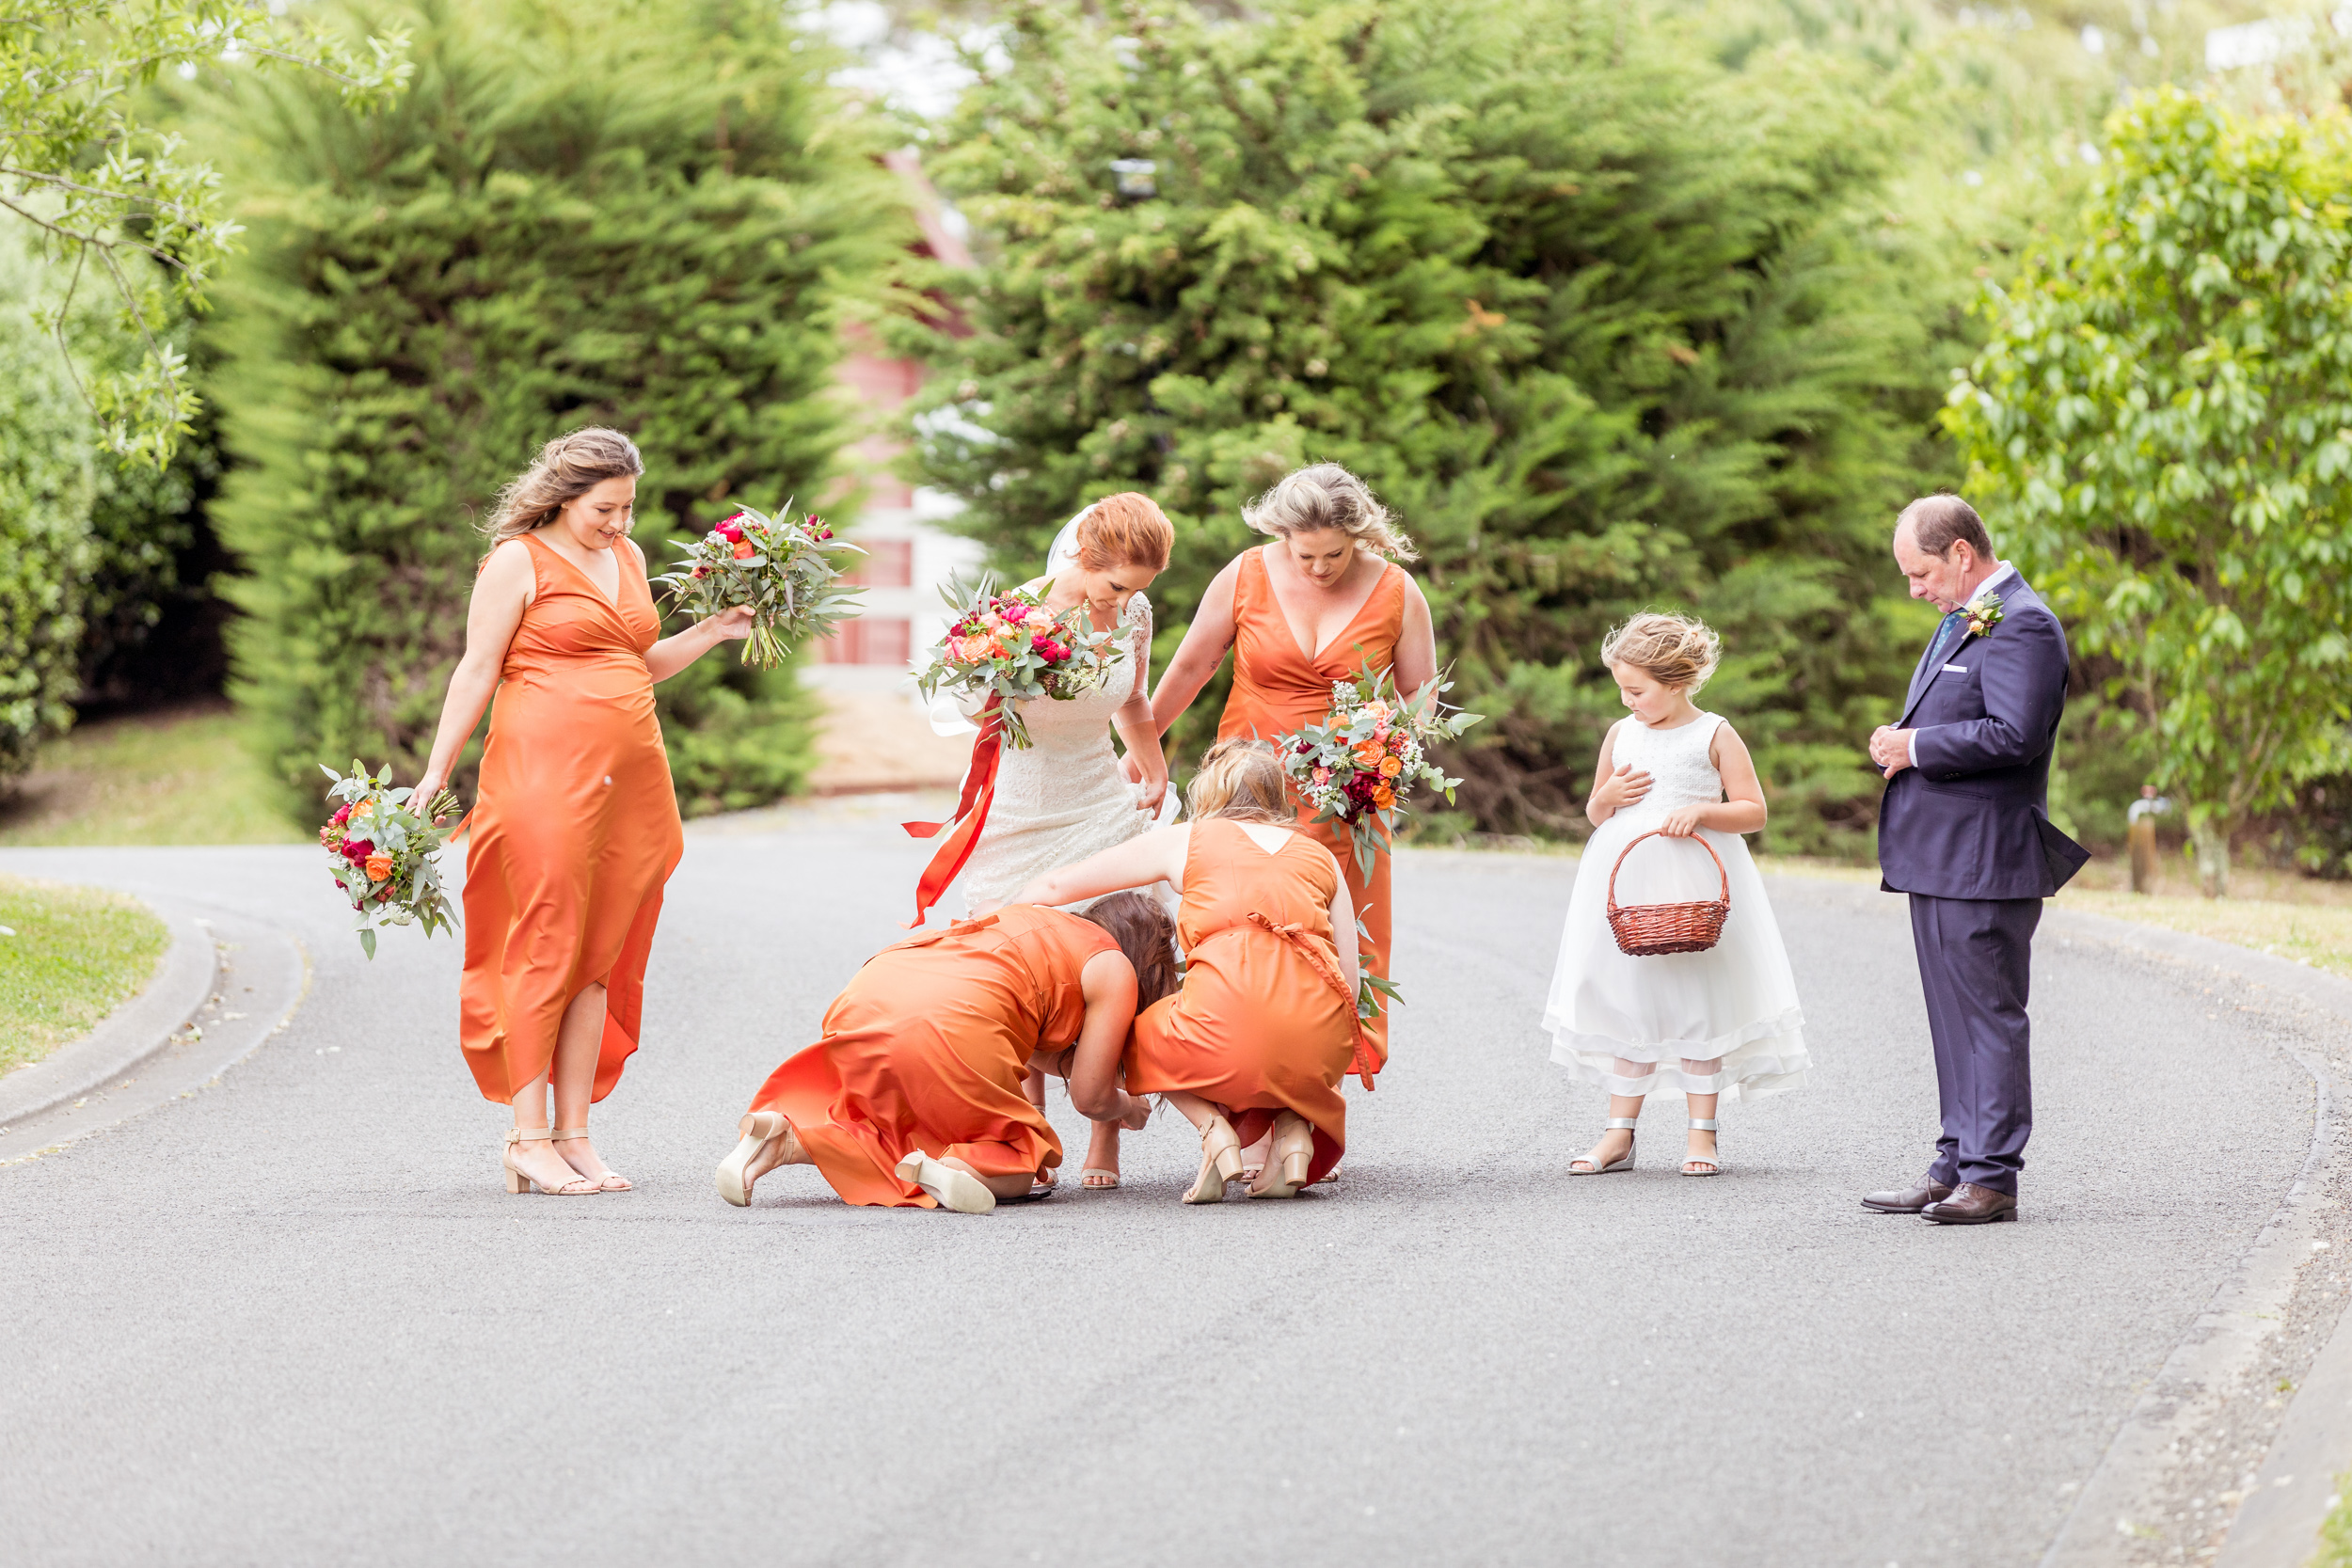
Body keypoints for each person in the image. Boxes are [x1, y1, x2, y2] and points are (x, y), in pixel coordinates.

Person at [412, 428, 755, 1197]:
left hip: (629, 781)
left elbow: (634, 662)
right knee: (545, 940)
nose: (620, 523)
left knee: (599, 956)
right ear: (565, 496)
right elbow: (476, 669)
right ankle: (526, 1137)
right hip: (541, 776)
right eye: (606, 507)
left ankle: (574, 1135)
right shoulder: (516, 562)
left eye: (629, 506)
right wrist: (437, 770)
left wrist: (712, 630)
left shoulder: (627, 559)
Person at [907, 493, 1177, 1191]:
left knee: (1120, 952)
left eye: (1138, 590)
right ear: (1084, 559)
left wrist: (1153, 762)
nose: (1124, 603)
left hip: (1099, 799)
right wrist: (987, 668)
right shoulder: (1011, 620)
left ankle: (1105, 1139)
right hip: (1023, 808)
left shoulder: (1134, 615)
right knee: (1021, 964)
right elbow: (969, 709)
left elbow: (1133, 698)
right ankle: (1032, 1137)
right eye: (1116, 585)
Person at [1145, 464, 1435, 1086]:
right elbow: (1192, 666)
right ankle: (1241, 1065)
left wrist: (1392, 750)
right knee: (1239, 923)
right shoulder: (1246, 573)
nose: (1320, 567)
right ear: (1282, 535)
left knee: (1337, 931)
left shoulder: (1398, 590)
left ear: (1361, 536)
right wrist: (1144, 751)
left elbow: (1421, 691)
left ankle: (1313, 1076)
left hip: (1347, 792)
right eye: (1306, 554)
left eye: (1335, 553)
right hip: (1246, 787)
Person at [1012, 740, 1367, 1204]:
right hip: (1321, 1043)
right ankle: (1295, 1128)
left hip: (1225, 1032)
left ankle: (1213, 1130)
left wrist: (1007, 916)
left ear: (1211, 794)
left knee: (1132, 1037)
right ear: (1280, 796)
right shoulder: (1320, 857)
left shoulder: (1191, 837)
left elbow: (1057, 885)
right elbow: (1351, 984)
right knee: (1285, 1025)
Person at [1865, 495, 2088, 1226]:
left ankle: (1992, 1177)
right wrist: (1901, 735)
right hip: (1938, 855)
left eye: (1920, 572)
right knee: (1948, 1017)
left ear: (1962, 553)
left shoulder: (2024, 623)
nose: (1915, 589)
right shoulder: (1963, 618)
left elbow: (2015, 733)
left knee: (1988, 1015)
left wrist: (1916, 748)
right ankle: (1953, 1164)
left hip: (1985, 857)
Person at [711, 894, 1178, 1214]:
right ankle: (953, 1167)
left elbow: (1019, 1028)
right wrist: (1127, 1106)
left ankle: (788, 1137)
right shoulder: (1114, 967)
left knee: (893, 1116)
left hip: (873, 993)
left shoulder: (1035, 916)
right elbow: (1091, 1098)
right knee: (1021, 1162)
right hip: (948, 1026)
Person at [1545, 614, 1807, 1178]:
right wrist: (1609, 795)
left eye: (1637, 690)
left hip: (1695, 883)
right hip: (1628, 882)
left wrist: (1706, 810)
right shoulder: (1622, 734)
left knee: (1697, 1002)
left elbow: (1753, 811)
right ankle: (1618, 1134)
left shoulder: (1713, 733)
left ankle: (1702, 1134)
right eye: (1622, 688)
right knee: (1628, 998)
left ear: (1677, 680)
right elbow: (1595, 811)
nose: (1627, 700)